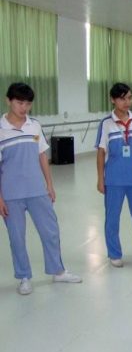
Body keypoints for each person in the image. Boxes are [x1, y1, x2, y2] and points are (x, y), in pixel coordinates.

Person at [0, 82, 82, 295]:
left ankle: (58, 270)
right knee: (16, 237)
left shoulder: (34, 125)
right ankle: (24, 276)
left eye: (27, 103)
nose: (23, 107)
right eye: (19, 102)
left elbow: (42, 156)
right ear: (8, 101)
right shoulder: (0, 129)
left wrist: (49, 185)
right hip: (11, 194)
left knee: (50, 231)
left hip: (37, 190)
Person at [95, 82, 132, 268]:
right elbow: (101, 152)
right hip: (114, 179)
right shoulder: (106, 124)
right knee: (113, 217)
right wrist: (100, 179)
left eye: (129, 97)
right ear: (113, 100)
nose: (127, 102)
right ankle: (114, 253)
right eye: (122, 98)